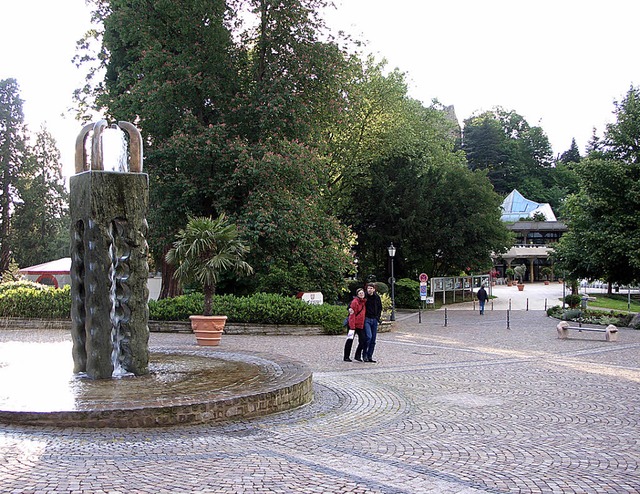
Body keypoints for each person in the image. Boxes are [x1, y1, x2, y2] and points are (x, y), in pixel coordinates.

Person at [361, 283, 382, 363]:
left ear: (374, 289)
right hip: (366, 319)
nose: (369, 290)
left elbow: (380, 307)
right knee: (368, 337)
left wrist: (377, 317)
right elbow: (356, 301)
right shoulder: (364, 296)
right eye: (368, 288)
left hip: (374, 319)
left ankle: (370, 356)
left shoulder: (377, 297)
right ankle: (364, 354)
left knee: (373, 340)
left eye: (371, 288)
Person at [343, 288, 367, 361]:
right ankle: (346, 356)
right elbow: (352, 315)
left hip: (360, 325)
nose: (362, 294)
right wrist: (352, 326)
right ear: (357, 294)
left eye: (362, 293)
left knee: (363, 340)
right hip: (352, 325)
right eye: (360, 293)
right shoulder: (355, 302)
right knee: (350, 340)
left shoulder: (364, 302)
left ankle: (357, 355)